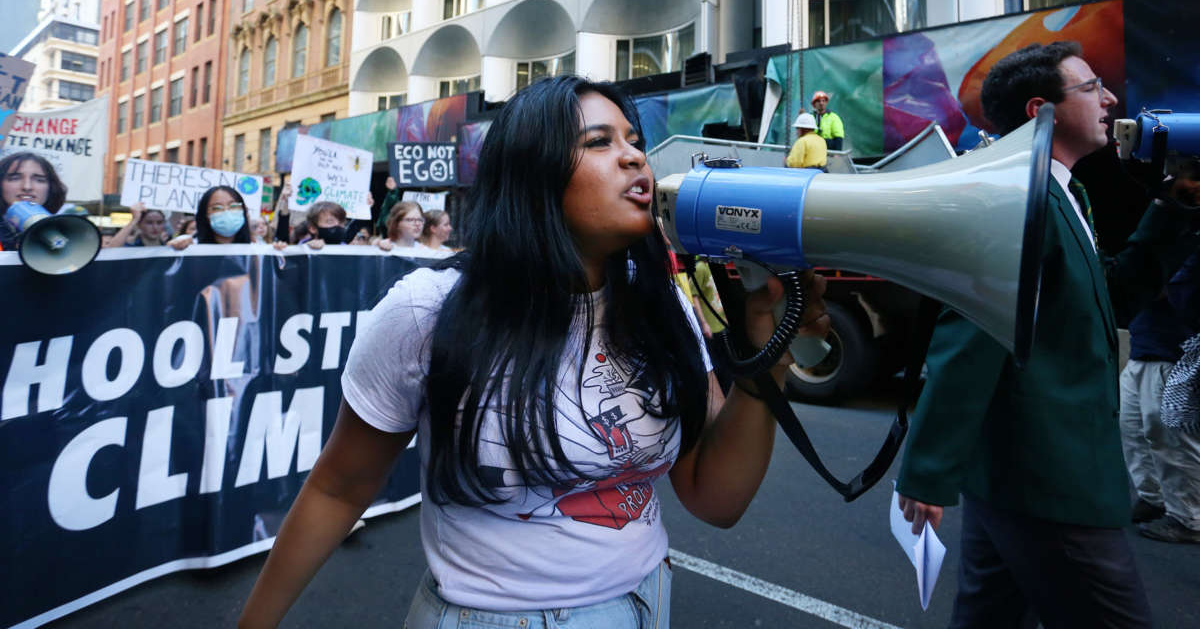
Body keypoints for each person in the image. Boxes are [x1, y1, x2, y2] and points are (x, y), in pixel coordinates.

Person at [238, 75, 829, 628]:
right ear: (531, 175)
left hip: (648, 602)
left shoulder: (662, 305)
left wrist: (766, 349)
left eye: (635, 141)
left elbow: (716, 497)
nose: (634, 157)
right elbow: (339, 489)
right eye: (599, 142)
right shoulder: (428, 310)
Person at [896, 41, 1199, 628]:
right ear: (1044, 110)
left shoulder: (1063, 191)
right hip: (1050, 479)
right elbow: (974, 329)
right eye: (1091, 87)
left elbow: (1106, 297)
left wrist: (1174, 205)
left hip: (1013, 475)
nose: (1111, 98)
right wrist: (928, 468)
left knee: (991, 617)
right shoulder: (1017, 201)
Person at [1122, 246, 1200, 544]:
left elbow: (1173, 290)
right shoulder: (1168, 232)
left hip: (1174, 351)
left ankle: (1189, 517)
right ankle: (1153, 497)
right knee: (1134, 431)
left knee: (1171, 440)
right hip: (1145, 345)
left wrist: (1140, 281)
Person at [0, 152, 68, 251]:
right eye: (15, 178)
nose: (27, 187)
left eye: (39, 180)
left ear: (51, 188)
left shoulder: (67, 231)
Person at [168, 186, 253, 249]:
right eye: (217, 208)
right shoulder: (191, 248)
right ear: (206, 215)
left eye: (233, 206)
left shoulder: (257, 252)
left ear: (244, 210)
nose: (227, 212)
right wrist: (176, 247)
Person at [104, 202, 169, 247]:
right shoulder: (131, 248)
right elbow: (111, 249)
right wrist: (134, 219)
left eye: (159, 222)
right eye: (149, 223)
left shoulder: (169, 248)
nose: (155, 227)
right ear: (139, 224)